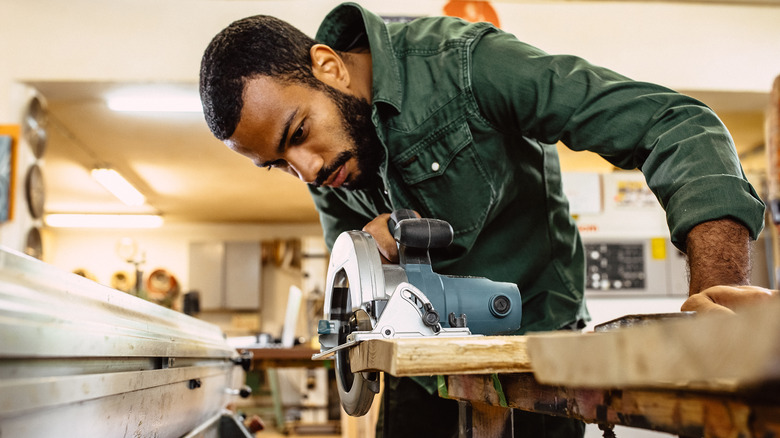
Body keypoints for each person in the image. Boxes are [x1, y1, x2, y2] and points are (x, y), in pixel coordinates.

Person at [199, 3, 775, 437]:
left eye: (298, 134)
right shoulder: (329, 163)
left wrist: (718, 299)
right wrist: (368, 249)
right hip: (422, 380)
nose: (308, 170)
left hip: (543, 369)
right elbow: (357, 287)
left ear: (328, 66)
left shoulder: (468, 65)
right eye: (280, 165)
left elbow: (675, 125)